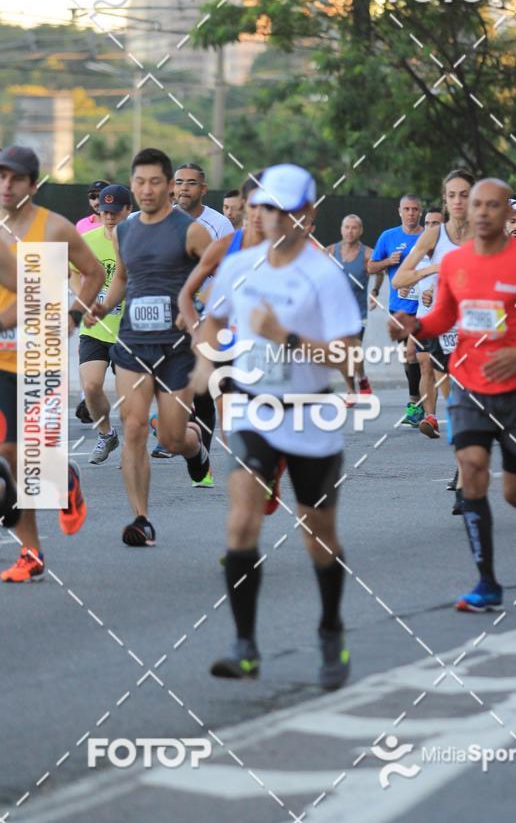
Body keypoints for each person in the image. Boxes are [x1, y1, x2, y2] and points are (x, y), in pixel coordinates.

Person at [192, 163, 361, 688]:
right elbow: (215, 317)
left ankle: (331, 628)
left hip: (311, 412)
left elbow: (352, 362)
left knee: (319, 536)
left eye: (282, 208)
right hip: (252, 407)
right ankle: (245, 646)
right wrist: (204, 365)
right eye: (263, 206)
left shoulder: (324, 275)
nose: (269, 216)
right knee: (241, 523)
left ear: (307, 214)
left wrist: (284, 335)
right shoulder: (241, 264)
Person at [389, 179, 516, 612]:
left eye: (494, 206)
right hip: (470, 382)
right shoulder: (455, 263)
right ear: (468, 212)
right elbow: (442, 318)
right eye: (478, 206)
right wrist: (414, 328)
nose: (485, 213)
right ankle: (486, 581)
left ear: (507, 212)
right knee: (471, 467)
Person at [86, 148, 211, 547]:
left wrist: (194, 308)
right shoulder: (125, 229)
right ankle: (141, 519)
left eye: (155, 181)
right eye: (139, 181)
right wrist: (103, 305)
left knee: (172, 438)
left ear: (169, 185)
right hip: (133, 342)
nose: (146, 189)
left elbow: (219, 279)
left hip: (176, 347)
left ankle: (194, 449)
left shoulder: (190, 230)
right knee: (135, 427)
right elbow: (122, 276)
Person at [0, 146, 104, 582]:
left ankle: (66, 480)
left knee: (33, 459)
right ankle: (31, 554)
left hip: (40, 350)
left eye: (16, 179)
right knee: (8, 455)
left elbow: (94, 273)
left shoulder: (55, 228)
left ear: (33, 185)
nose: (6, 186)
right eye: (1, 177)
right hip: (1, 356)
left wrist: (75, 314)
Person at [177, 173, 266, 491]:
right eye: (255, 206)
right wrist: (197, 327)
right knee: (229, 417)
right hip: (228, 344)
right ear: (245, 207)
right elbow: (188, 294)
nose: (260, 214)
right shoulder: (226, 246)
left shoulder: (297, 250)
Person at [393, 171, 474, 439]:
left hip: (478, 328)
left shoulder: (485, 234)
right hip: (445, 330)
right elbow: (400, 280)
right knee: (457, 406)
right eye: (452, 195)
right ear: (444, 200)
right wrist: (433, 271)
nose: (458, 201)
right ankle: (462, 467)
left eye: (464, 195)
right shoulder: (434, 236)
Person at [71, 185, 132, 464]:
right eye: (105, 211)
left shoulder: (137, 240)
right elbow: (72, 272)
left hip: (129, 330)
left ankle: (133, 445)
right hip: (95, 326)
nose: (109, 216)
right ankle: (106, 435)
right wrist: (83, 299)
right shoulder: (88, 239)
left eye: (115, 211)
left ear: (127, 210)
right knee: (92, 386)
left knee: (128, 395)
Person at [367, 193, 423, 424]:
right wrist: (388, 262)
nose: (411, 213)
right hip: (398, 307)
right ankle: (417, 399)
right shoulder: (388, 236)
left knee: (414, 354)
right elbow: (371, 267)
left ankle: (415, 404)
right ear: (399, 211)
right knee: (407, 357)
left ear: (420, 211)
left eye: (415, 209)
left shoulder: (428, 236)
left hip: (424, 307)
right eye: (407, 209)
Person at [326, 214, 380, 399]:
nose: (350, 231)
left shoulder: (367, 254)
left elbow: (378, 270)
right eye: (347, 227)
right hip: (335, 312)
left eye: (354, 227)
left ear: (360, 230)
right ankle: (352, 387)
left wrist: (376, 291)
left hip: (357, 311)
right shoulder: (331, 252)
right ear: (341, 229)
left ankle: (361, 378)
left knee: (353, 349)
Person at [173, 162, 234, 241]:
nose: (184, 188)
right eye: (179, 183)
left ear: (203, 189)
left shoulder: (221, 225)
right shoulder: (160, 218)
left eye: (192, 183)